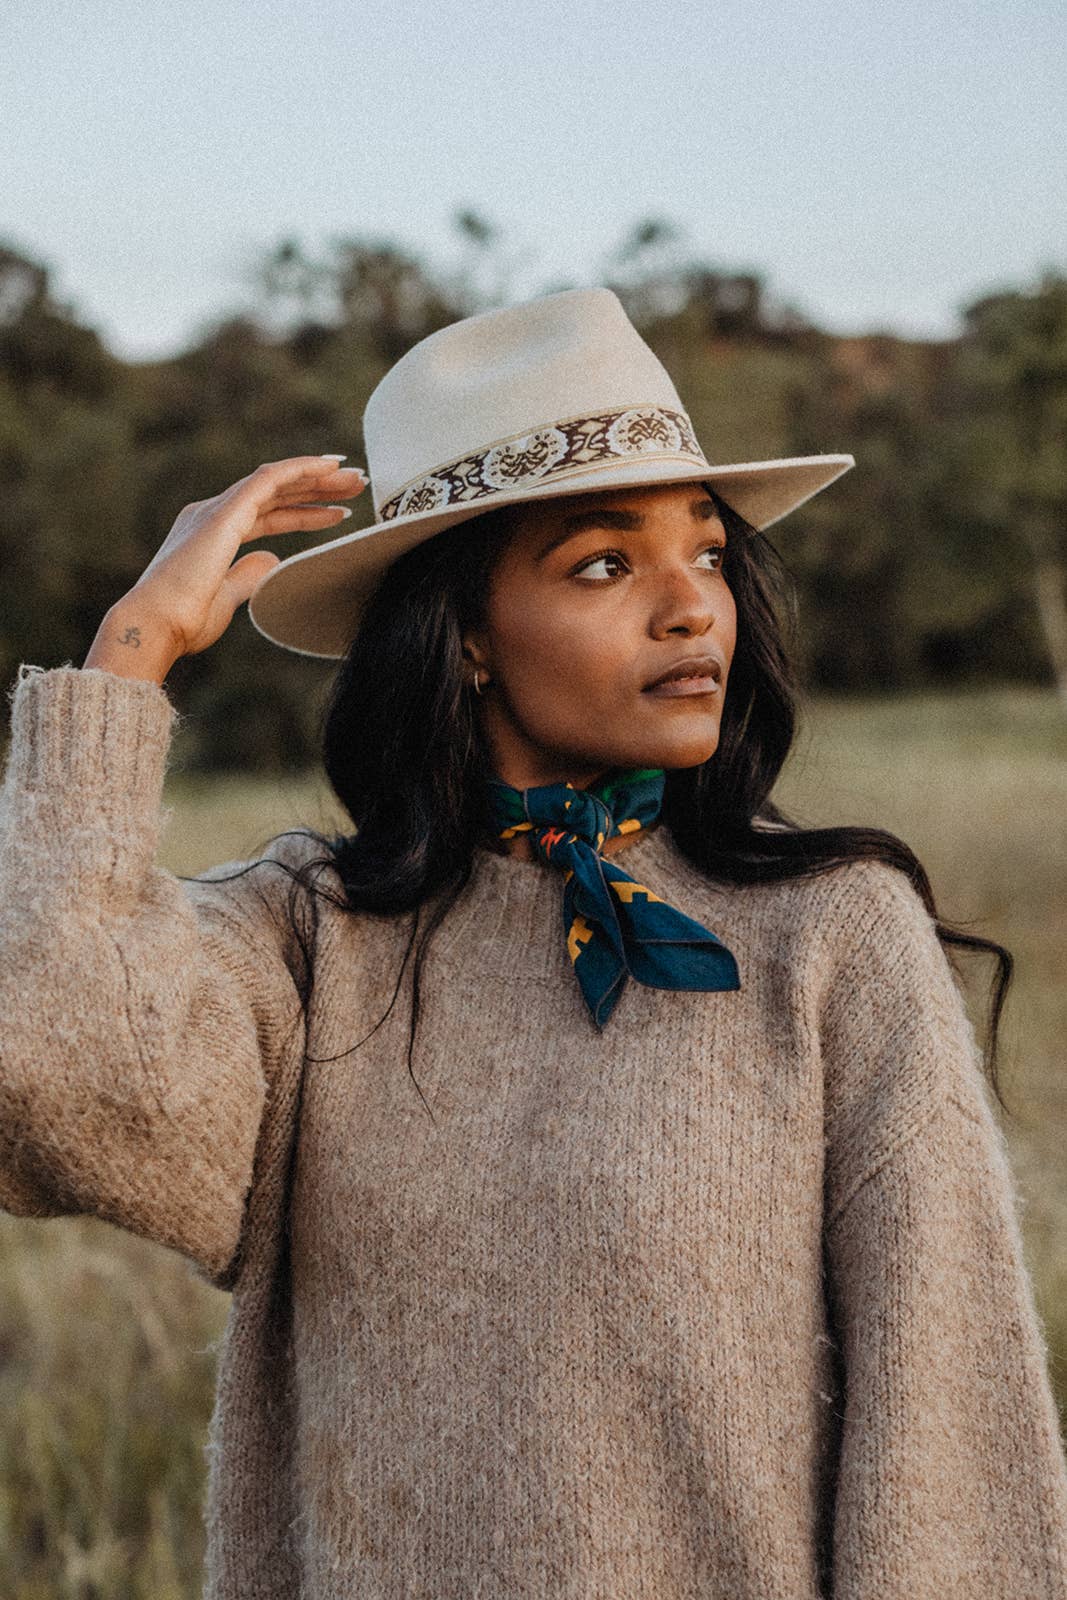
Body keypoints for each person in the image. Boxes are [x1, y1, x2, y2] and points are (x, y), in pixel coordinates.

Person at [1, 286, 1065, 1599]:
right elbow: (43, 1068)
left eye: (710, 554)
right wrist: (127, 657)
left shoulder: (834, 934)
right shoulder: (308, 940)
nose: (692, 609)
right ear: (466, 638)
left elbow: (953, 1453)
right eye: (606, 564)